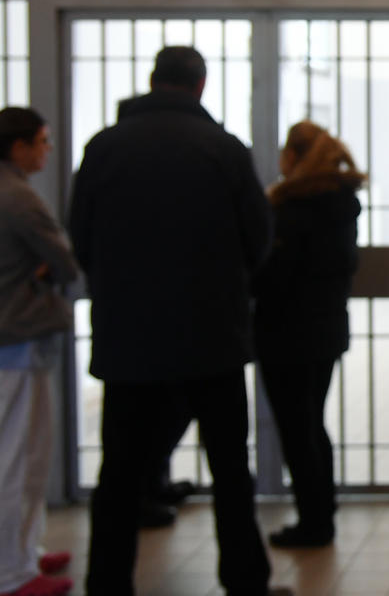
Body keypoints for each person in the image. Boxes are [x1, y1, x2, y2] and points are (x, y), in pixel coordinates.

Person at [68, 47, 290, 596]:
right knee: (229, 469)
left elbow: (81, 238)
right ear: (200, 84)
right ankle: (244, 582)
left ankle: (107, 585)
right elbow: (259, 240)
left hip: (128, 340)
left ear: (153, 80)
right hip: (212, 337)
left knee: (120, 473)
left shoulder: (104, 147)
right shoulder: (223, 148)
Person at [252, 122, 364, 548]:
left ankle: (314, 522)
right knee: (312, 424)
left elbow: (273, 275)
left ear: (294, 157)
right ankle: (322, 511)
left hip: (286, 333)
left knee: (297, 430)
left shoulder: (292, 209)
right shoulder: (341, 204)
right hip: (326, 329)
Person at [0, 108, 77, 596]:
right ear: (19, 146)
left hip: (11, 336)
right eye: (42, 142)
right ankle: (13, 572)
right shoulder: (18, 197)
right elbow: (63, 261)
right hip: (17, 336)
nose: (46, 151)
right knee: (18, 456)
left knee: (20, 452)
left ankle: (24, 552)